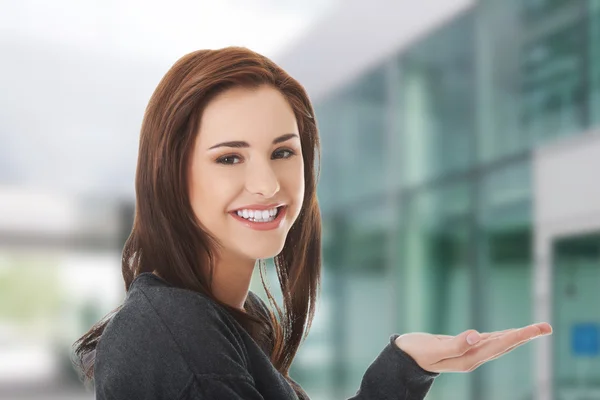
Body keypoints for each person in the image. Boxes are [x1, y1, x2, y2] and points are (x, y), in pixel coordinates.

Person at [72, 46, 552, 400]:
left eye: (283, 152)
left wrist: (405, 364)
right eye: (229, 158)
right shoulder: (177, 336)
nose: (266, 184)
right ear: (169, 174)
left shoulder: (228, 317)